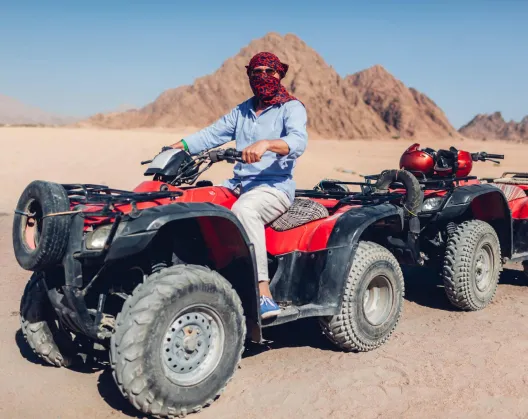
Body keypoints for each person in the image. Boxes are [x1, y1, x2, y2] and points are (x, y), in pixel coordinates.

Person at [168, 51, 308, 319]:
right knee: (197, 202)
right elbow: (211, 134)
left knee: (245, 211)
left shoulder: (291, 108)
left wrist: (267, 144)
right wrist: (178, 147)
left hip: (274, 187)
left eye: (269, 71)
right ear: (249, 76)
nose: (263, 77)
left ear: (279, 74)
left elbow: (298, 141)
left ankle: (263, 292)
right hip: (238, 183)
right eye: (257, 72)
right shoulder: (243, 110)